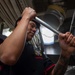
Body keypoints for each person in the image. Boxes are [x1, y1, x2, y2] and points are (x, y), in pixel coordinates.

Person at [0, 7, 75, 75]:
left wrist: (65, 54)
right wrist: (26, 17)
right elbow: (8, 57)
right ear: (19, 22)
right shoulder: (3, 40)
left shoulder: (38, 52)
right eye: (32, 25)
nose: (34, 30)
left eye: (36, 29)